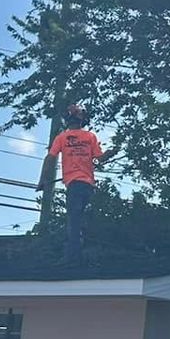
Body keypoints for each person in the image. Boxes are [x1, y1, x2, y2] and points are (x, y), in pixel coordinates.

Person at [42, 104, 106, 261]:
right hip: (88, 185)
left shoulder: (62, 137)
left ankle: (73, 255)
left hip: (74, 183)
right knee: (83, 218)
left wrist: (43, 180)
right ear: (82, 119)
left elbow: (50, 158)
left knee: (74, 218)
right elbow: (101, 158)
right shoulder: (90, 136)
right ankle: (86, 250)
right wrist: (111, 153)